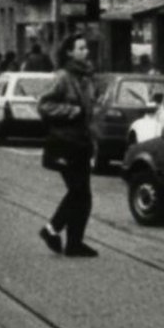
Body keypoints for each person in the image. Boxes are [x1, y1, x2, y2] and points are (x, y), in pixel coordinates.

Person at [36, 35, 98, 258]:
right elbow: (44, 105)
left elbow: (89, 112)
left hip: (81, 143)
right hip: (65, 142)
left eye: (86, 47)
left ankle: (74, 243)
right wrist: (71, 111)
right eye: (81, 48)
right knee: (78, 191)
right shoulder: (62, 77)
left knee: (85, 195)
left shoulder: (86, 78)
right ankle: (51, 229)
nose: (86, 51)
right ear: (70, 52)